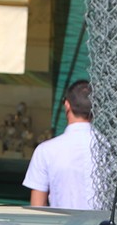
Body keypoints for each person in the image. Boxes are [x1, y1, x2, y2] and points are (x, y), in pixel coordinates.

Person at [26, 79, 96, 209]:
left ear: (67, 105)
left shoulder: (45, 150)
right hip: (103, 222)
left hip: (62, 221)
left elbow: (37, 206)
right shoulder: (110, 149)